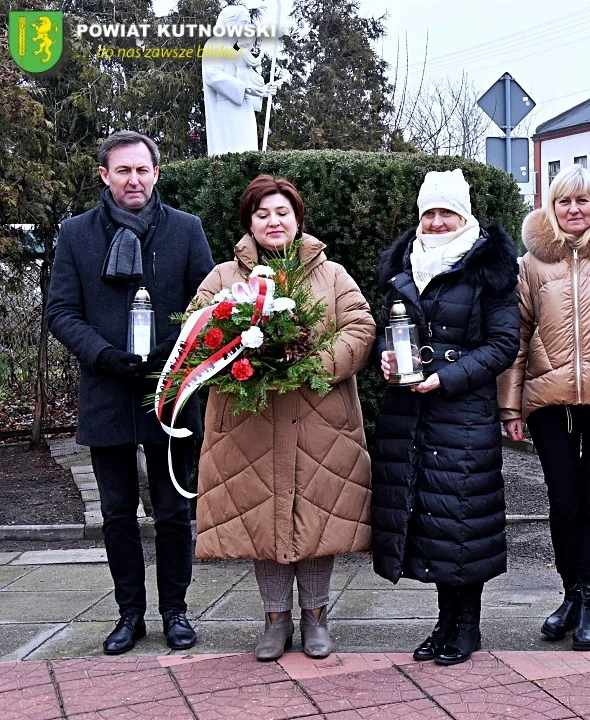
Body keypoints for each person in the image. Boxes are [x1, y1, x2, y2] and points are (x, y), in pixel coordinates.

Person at [192, 175, 375, 660]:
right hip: (250, 424)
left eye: (282, 213)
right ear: (249, 223)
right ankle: (275, 618)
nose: (273, 222)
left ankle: (316, 615)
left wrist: (315, 367)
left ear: (298, 219)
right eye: (262, 214)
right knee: (263, 518)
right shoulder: (224, 278)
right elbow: (197, 330)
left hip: (321, 419)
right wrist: (237, 358)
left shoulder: (332, 274)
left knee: (317, 517)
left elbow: (360, 325)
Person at [46, 130, 215, 654]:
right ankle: (129, 614)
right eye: (123, 171)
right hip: (106, 391)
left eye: (142, 170)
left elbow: (209, 306)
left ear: (156, 173)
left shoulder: (186, 231)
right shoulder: (75, 235)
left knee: (172, 512)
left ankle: (176, 612)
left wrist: (173, 350)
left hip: (170, 394)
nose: (133, 180)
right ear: (105, 175)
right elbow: (61, 312)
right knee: (117, 513)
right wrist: (102, 354)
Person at [371, 168, 519, 666]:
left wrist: (448, 376)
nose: (436, 222)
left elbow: (503, 344)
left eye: (446, 213)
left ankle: (467, 626)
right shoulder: (402, 267)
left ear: (464, 215)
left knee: (462, 521)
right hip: (410, 413)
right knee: (428, 520)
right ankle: (443, 622)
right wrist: (385, 358)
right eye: (429, 213)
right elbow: (384, 332)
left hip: (463, 414)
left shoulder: (489, 269)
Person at [498, 164, 590, 651]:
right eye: (564, 202)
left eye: (582, 201)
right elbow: (515, 337)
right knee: (563, 500)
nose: (574, 210)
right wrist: (510, 406)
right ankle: (569, 594)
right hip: (548, 398)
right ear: (551, 207)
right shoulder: (531, 265)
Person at [201, 5, 279, 156]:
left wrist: (263, 89)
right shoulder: (215, 44)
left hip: (243, 107)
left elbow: (249, 81)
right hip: (227, 109)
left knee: (247, 150)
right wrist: (246, 89)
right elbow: (212, 76)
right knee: (232, 151)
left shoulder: (236, 52)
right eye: (243, 22)